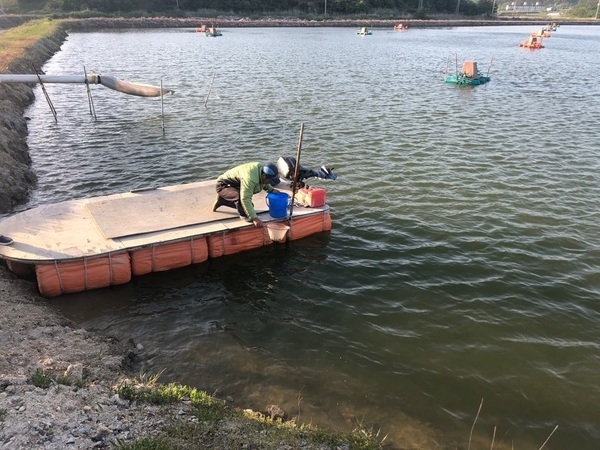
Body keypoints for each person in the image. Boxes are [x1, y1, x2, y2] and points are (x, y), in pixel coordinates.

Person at [212, 162, 280, 228]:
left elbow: (263, 182)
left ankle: (222, 200)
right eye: (270, 181)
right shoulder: (250, 179)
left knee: (250, 208)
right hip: (223, 185)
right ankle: (222, 200)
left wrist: (271, 190)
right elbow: (245, 198)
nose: (270, 183)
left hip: (235, 185)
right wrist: (254, 218)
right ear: (264, 176)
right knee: (244, 208)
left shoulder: (261, 171)